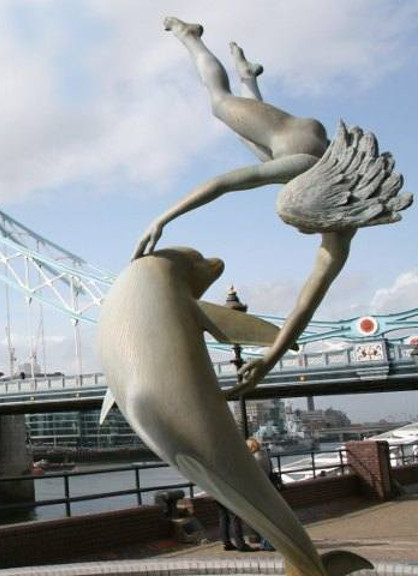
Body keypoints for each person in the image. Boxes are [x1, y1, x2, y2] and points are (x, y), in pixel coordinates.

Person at [134, 17, 412, 397]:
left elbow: (304, 306)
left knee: (258, 150)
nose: (302, 233)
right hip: (299, 136)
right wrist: (162, 219)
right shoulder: (301, 164)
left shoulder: (341, 235)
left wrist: (270, 359)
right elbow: (223, 184)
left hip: (296, 154)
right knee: (219, 103)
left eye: (304, 228)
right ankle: (191, 37)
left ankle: (249, 79)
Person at [247, 438, 276, 551]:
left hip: (258, 491)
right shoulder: (264, 456)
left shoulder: (254, 459)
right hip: (267, 489)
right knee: (267, 517)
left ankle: (268, 543)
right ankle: (267, 542)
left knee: (263, 518)